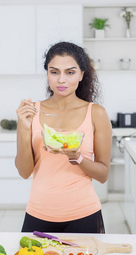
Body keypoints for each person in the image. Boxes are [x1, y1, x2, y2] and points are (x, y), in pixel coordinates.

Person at [15, 41, 112, 233]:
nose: (61, 80)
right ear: (47, 74)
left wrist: (77, 157)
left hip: (84, 214)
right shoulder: (31, 112)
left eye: (70, 72)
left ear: (81, 74)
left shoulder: (96, 113)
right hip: (38, 212)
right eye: (54, 72)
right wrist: (25, 128)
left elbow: (103, 174)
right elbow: (24, 172)